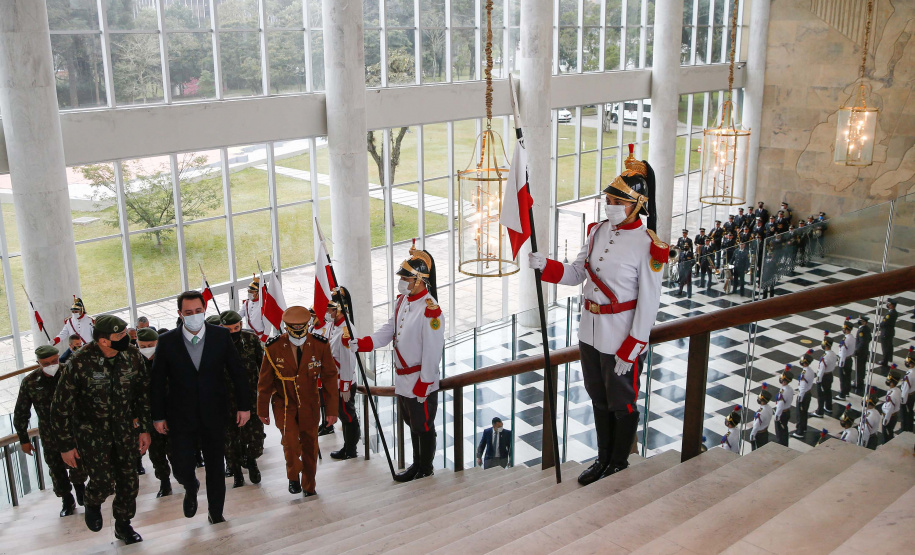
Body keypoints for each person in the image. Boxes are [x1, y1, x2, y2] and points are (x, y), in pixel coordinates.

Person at [528, 145, 666, 485]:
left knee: (622, 401)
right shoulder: (596, 231)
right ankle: (602, 458)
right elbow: (577, 274)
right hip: (589, 330)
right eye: (610, 199)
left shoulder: (650, 246)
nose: (612, 206)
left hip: (620, 336)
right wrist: (546, 265)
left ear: (638, 205)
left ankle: (618, 461)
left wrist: (633, 346)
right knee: (598, 396)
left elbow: (649, 301)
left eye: (619, 201)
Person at [151, 291, 251, 525]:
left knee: (216, 465)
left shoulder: (220, 336)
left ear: (204, 310)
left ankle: (216, 512)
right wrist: (158, 416)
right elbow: (156, 382)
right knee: (182, 465)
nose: (194, 316)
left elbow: (237, 373)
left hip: (214, 412)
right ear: (180, 314)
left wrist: (244, 407)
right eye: (188, 313)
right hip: (180, 414)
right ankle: (190, 485)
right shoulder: (166, 342)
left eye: (198, 311)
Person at [51, 315, 149, 544]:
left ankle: (123, 525)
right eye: (120, 335)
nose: (126, 338)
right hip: (92, 434)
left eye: (126, 333)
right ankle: (92, 501)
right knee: (103, 481)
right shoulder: (80, 362)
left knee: (129, 482)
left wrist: (144, 429)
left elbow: (143, 395)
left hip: (125, 430)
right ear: (104, 341)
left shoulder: (133, 356)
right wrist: (66, 446)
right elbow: (60, 407)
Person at [353, 244, 446, 482]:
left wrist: (425, 383)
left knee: (423, 426)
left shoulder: (431, 312)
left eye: (406, 278)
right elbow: (389, 330)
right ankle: (417, 464)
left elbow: (433, 352)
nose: (402, 282)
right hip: (403, 379)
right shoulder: (403, 301)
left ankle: (425, 468)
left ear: (420, 280)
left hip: (419, 380)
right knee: (412, 424)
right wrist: (364, 343)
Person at [259, 306, 338, 495]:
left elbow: (329, 376)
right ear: (286, 327)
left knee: (310, 446)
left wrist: (333, 410)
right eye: (293, 326)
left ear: (308, 324)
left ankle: (309, 485)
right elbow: (265, 381)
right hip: (284, 403)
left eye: (302, 326)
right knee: (290, 442)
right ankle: (293, 476)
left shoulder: (320, 344)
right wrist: (262, 410)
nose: (298, 330)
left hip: (310, 404)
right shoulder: (274, 346)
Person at [14, 345, 87, 518]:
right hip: (50, 435)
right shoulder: (31, 382)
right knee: (56, 469)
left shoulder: (71, 374)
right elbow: (21, 412)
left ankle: (81, 491)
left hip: (74, 431)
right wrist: (24, 439)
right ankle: (67, 500)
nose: (51, 365)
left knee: (79, 465)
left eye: (54, 361)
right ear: (38, 363)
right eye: (45, 363)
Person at [216, 311, 266, 487]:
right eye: (228, 329)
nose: (233, 332)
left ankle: (251, 461)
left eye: (236, 328)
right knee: (229, 441)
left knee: (255, 438)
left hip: (251, 398)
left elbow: (264, 367)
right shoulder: (215, 343)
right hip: (225, 400)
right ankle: (236, 472)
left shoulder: (251, 340)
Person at [137, 328, 172, 498]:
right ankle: (164, 482)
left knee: (176, 451)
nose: (146, 348)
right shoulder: (134, 363)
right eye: (142, 346)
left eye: (150, 345)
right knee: (156, 453)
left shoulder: (169, 358)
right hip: (149, 416)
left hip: (172, 412)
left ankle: (185, 478)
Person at [327, 287, 362, 461]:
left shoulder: (345, 332)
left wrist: (345, 385)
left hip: (343, 382)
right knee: (343, 415)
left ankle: (350, 449)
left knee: (348, 416)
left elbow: (348, 361)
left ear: (339, 309)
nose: (327, 312)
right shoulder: (333, 327)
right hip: (335, 381)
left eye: (330, 309)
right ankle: (347, 447)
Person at [791, 350, 816, 439]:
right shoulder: (811, 371)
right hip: (808, 393)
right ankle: (804, 427)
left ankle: (799, 431)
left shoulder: (804, 373)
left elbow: (802, 387)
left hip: (803, 395)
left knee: (800, 414)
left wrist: (800, 398)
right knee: (804, 412)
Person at [812, 331, 837, 418]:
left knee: (821, 395)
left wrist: (818, 380)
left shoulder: (825, 357)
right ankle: (829, 407)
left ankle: (820, 411)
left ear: (826, 345)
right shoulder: (833, 354)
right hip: (830, 375)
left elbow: (821, 369)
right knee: (828, 392)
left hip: (824, 377)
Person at [835, 317, 856, 401]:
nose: (843, 330)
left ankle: (842, 395)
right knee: (848, 377)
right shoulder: (852, 337)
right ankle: (847, 391)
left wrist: (841, 364)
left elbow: (843, 352)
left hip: (844, 360)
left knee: (843, 378)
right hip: (849, 359)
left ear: (847, 329)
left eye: (844, 329)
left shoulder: (845, 339)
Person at [242, 275, 268, 342]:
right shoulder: (247, 303)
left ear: (258, 292)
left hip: (259, 337)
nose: (249, 293)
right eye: (249, 291)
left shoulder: (264, 306)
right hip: (248, 336)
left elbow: (268, 327)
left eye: (251, 292)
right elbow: (238, 315)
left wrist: (263, 340)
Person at [774, 366, 794, 446]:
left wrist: (777, 416)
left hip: (782, 414)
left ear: (784, 381)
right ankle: (785, 444)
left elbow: (780, 406)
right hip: (787, 411)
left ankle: (782, 446)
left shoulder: (782, 392)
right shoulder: (790, 389)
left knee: (780, 433)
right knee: (784, 429)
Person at [882, 365, 902, 443]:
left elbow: (890, 409)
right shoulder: (896, 390)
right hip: (893, 416)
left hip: (890, 417)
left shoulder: (892, 394)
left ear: (892, 382)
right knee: (889, 433)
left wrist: (885, 420)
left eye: (889, 379)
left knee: (887, 435)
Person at [749, 385, 773, 450]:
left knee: (757, 451)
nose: (758, 399)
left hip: (759, 435)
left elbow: (756, 426)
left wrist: (752, 435)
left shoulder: (760, 413)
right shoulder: (769, 408)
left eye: (759, 398)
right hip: (765, 432)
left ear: (762, 401)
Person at [854, 315, 873, 393]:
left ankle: (858, 383)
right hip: (865, 351)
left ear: (864, 322)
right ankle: (860, 380)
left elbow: (862, 342)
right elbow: (869, 338)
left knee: (859, 367)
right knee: (862, 366)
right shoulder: (867, 328)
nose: (859, 321)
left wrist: (857, 350)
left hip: (860, 352)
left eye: (861, 321)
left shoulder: (862, 330)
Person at [897, 347, 914, 434]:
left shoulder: (909, 375)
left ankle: (905, 430)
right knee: (910, 412)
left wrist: (902, 400)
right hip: (912, 394)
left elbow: (905, 388)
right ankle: (910, 428)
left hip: (908, 396)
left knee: (905, 415)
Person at [877, 298, 898, 366]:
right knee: (889, 346)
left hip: (886, 332)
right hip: (890, 332)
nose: (888, 305)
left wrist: (878, 325)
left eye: (889, 304)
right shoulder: (895, 312)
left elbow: (884, 323)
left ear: (892, 305)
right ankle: (889, 358)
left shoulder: (890, 314)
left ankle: (884, 361)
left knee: (885, 347)